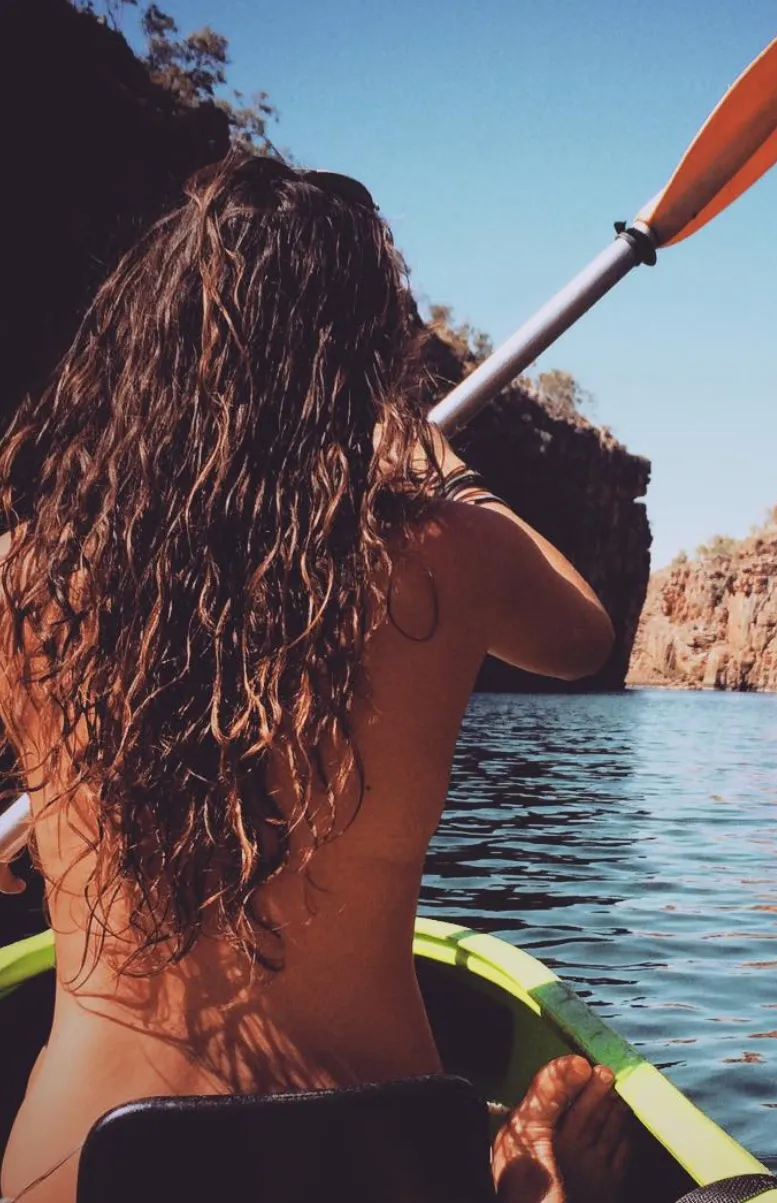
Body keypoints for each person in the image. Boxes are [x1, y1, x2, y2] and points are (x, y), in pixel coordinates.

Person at [0, 152, 626, 1203]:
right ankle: (516, 1178)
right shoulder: (446, 551)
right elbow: (584, 639)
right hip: (372, 1154)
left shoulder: (24, 573)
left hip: (87, 1163)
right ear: (367, 360)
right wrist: (437, 457)